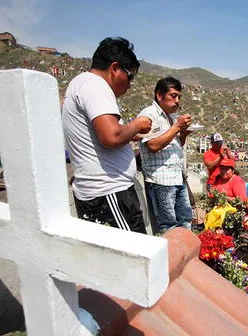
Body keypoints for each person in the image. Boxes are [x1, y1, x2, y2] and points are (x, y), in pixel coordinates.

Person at [62, 37, 151, 233]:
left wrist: (130, 133)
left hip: (104, 194)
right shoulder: (96, 85)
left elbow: (104, 134)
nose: (130, 84)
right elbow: (111, 137)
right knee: (132, 258)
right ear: (114, 68)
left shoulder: (82, 84)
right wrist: (137, 124)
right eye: (130, 76)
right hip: (110, 194)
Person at [138, 76, 193, 234]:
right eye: (173, 95)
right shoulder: (149, 115)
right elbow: (153, 145)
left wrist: (183, 134)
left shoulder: (172, 117)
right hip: (161, 180)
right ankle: (172, 257)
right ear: (159, 95)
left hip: (177, 177)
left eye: (179, 97)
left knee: (185, 219)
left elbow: (177, 145)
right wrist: (177, 127)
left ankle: (185, 254)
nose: (177, 101)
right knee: (169, 225)